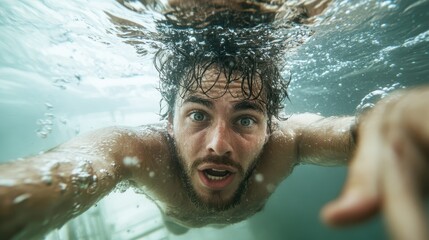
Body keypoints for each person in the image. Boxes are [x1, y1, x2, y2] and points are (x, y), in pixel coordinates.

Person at [1, 1, 428, 240]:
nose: (218, 145)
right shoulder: (137, 151)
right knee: (177, 224)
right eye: (198, 115)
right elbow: (73, 169)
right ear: (169, 123)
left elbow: (352, 133)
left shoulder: (287, 142)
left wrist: (389, 122)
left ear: (270, 127)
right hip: (177, 217)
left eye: (245, 119)